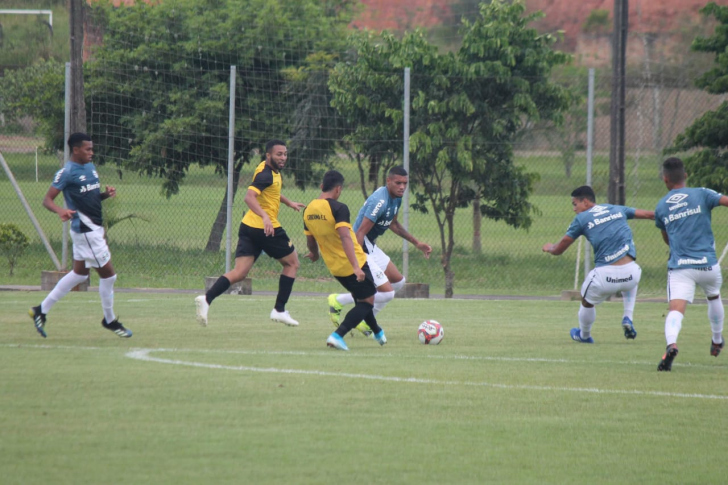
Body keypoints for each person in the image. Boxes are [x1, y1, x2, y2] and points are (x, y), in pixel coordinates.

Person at [28, 132, 131, 338]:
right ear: (76, 150)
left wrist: (105, 195)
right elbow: (47, 200)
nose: (91, 152)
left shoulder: (90, 167)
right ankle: (109, 320)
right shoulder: (67, 172)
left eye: (92, 148)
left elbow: (90, 198)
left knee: (79, 274)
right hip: (87, 232)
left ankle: (41, 309)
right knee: (109, 276)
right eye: (88, 149)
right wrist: (61, 211)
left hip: (92, 229)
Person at [195, 140, 305, 327]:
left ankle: (206, 299)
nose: (283, 157)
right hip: (266, 228)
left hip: (248, 227)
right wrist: (265, 217)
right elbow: (249, 197)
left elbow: (271, 191)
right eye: (279, 154)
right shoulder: (265, 174)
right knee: (292, 263)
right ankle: (279, 310)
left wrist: (288, 203)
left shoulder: (267, 170)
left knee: (239, 272)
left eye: (285, 154)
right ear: (268, 155)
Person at [327, 166, 432, 334]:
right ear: (388, 181)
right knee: (386, 293)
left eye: (405, 183)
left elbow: (394, 223)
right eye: (398, 183)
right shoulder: (380, 201)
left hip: (370, 244)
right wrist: (358, 263)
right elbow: (360, 232)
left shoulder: (396, 198)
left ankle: (365, 321)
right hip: (361, 245)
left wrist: (416, 243)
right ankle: (338, 300)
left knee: (398, 282)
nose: (402, 187)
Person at [542, 185, 654, 343]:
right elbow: (648, 214)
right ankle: (627, 317)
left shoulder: (582, 218)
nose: (574, 209)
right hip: (632, 274)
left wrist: (550, 248)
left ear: (586, 202)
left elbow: (561, 246)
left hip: (605, 277)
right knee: (630, 278)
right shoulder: (616, 208)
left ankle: (584, 335)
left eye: (575, 204)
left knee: (586, 302)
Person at [654, 157, 727, 371]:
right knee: (713, 296)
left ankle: (671, 345)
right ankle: (716, 340)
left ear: (665, 179)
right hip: (708, 264)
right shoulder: (702, 193)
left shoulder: (661, 206)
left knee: (676, 310)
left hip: (681, 267)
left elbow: (666, 237)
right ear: (685, 176)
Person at [303, 170, 387, 350]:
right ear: (338, 189)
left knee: (362, 298)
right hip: (353, 262)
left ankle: (377, 332)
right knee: (367, 301)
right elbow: (345, 238)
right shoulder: (339, 208)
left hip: (335, 268)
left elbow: (310, 241)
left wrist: (314, 254)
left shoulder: (308, 210)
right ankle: (337, 335)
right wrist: (356, 267)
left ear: (321, 186)